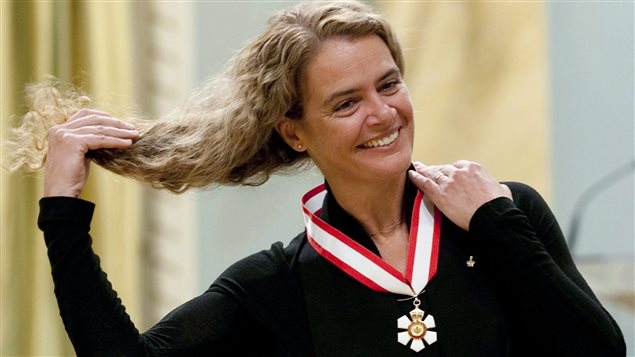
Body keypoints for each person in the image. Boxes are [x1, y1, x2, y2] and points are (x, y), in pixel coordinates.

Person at [16, 1, 625, 356]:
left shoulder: (501, 212)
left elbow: (599, 353)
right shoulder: (274, 287)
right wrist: (62, 215)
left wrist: (497, 226)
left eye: (389, 84)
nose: (383, 114)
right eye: (345, 103)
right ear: (294, 131)